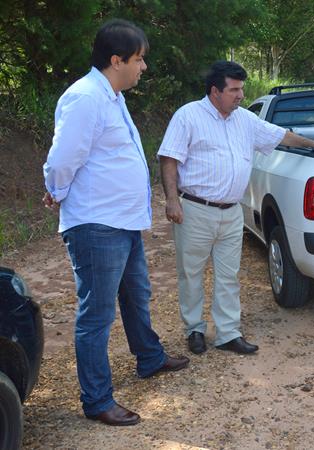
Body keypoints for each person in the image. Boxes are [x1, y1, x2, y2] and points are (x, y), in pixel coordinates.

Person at [42, 19, 189, 427]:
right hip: (96, 223)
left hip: (121, 221)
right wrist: (54, 188)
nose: (143, 67)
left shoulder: (111, 95)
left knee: (136, 295)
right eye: (139, 59)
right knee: (97, 315)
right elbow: (64, 157)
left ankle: (149, 357)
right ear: (116, 59)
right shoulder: (86, 97)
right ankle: (97, 399)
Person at [157, 60, 314, 356]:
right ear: (215, 92)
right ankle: (194, 330)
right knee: (191, 273)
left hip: (231, 212)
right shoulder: (188, 116)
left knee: (228, 274)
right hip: (195, 209)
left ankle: (227, 333)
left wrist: (313, 143)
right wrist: (172, 200)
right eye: (234, 90)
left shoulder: (244, 120)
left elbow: (280, 135)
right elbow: (169, 159)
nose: (240, 96)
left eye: (241, 89)